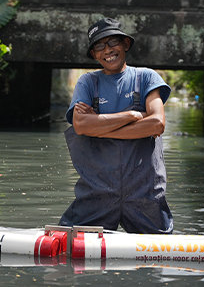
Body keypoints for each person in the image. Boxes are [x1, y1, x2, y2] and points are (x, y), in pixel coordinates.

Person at [59, 18, 174, 234]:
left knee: (157, 257)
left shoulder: (147, 77)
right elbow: (81, 125)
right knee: (67, 252)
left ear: (125, 45)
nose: (107, 50)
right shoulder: (87, 83)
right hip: (96, 192)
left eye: (112, 42)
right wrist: (132, 115)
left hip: (145, 193)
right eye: (99, 46)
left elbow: (157, 123)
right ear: (94, 54)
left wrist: (101, 128)